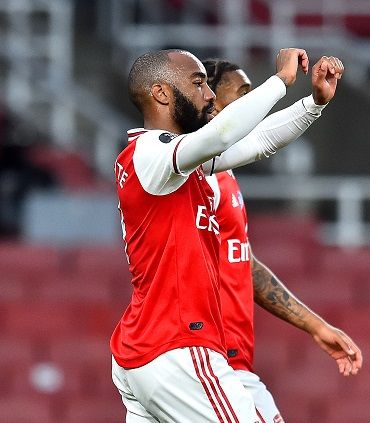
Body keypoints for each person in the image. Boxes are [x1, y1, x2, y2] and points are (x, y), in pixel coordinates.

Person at [111, 47, 315, 423]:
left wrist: (313, 103)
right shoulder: (150, 152)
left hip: (143, 354)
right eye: (198, 82)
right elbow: (222, 136)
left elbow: (256, 143)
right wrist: (280, 82)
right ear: (161, 93)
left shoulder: (179, 164)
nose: (209, 95)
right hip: (177, 345)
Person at [202, 57, 362, 423]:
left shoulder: (222, 177)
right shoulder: (188, 170)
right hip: (211, 364)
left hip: (228, 362)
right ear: (210, 102)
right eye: (243, 94)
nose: (252, 103)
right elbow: (261, 139)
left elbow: (244, 265)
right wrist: (302, 95)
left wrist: (315, 325)